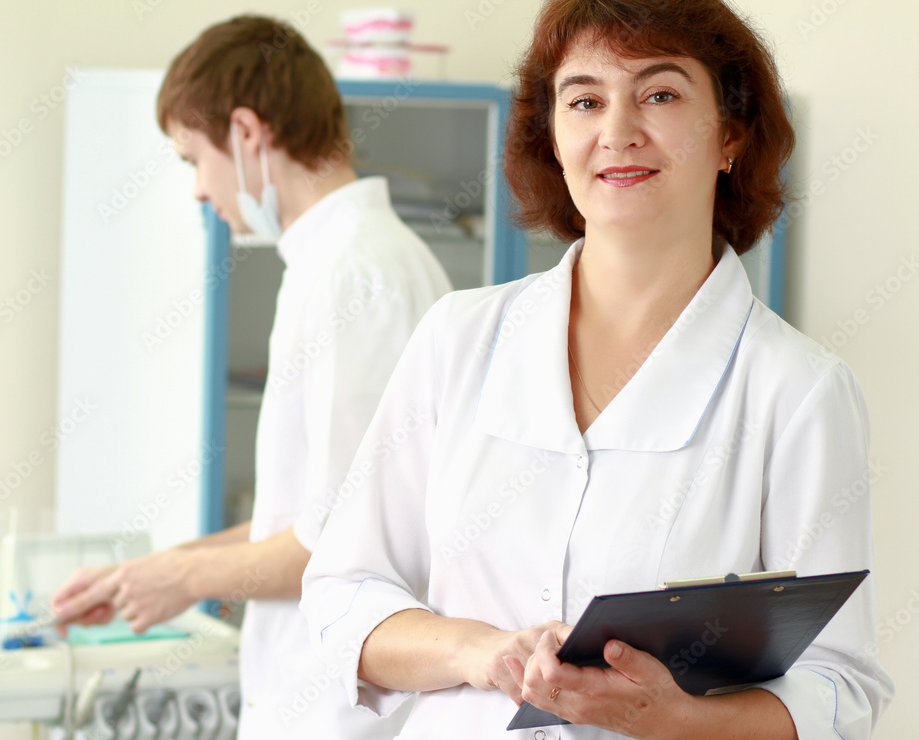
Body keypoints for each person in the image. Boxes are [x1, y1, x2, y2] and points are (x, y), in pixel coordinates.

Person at [300, 0, 894, 738]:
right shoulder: (457, 339)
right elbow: (342, 599)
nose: (617, 132)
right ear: (552, 135)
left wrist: (676, 720)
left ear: (730, 135)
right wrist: (484, 654)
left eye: (661, 94)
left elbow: (840, 687)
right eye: (584, 100)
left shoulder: (797, 390)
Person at [50, 15, 452, 739]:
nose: (199, 191)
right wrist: (160, 567)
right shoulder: (333, 265)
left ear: (246, 132)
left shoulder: (355, 274)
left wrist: (183, 581)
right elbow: (305, 516)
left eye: (191, 159)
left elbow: (342, 544)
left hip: (341, 712)